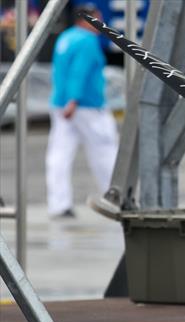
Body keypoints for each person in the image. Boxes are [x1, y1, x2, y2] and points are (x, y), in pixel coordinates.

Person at [46, 4, 117, 218]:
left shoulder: (66, 38)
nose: (101, 24)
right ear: (88, 19)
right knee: (105, 150)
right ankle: (114, 198)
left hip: (60, 104)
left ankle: (58, 203)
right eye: (98, 19)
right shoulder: (87, 41)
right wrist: (74, 100)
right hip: (86, 105)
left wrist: (66, 101)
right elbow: (79, 72)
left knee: (59, 154)